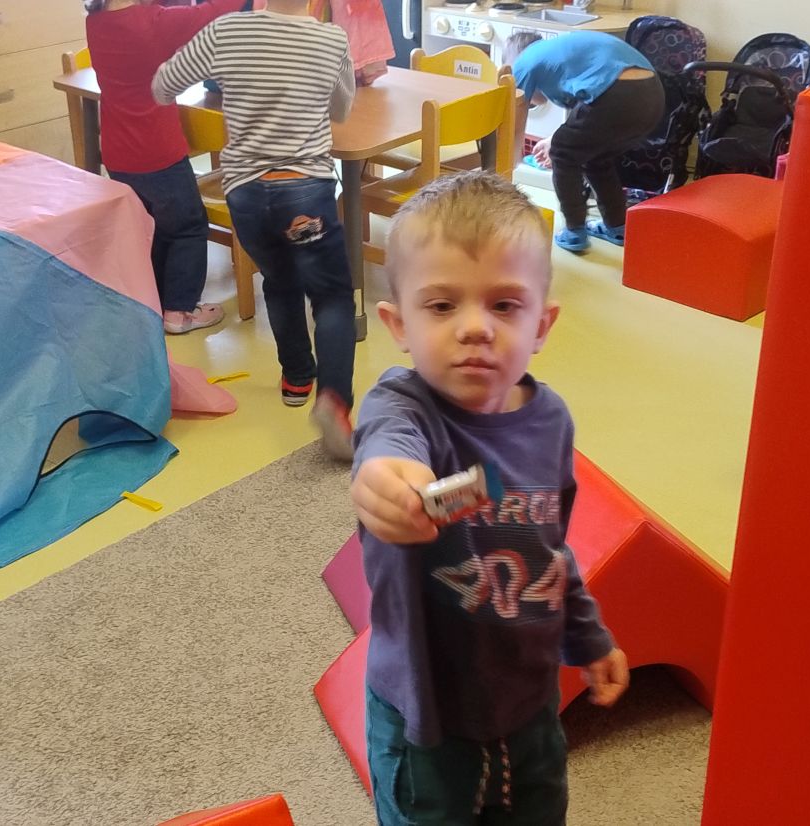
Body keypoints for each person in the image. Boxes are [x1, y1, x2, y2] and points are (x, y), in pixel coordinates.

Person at [350, 171, 630, 824]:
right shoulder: (401, 408)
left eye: (504, 305)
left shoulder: (551, 421)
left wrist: (587, 637)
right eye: (442, 306)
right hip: (427, 723)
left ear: (542, 324)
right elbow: (387, 448)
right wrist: (387, 478)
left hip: (529, 705)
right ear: (398, 322)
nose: (475, 328)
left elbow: (550, 550)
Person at [151, 0, 358, 457]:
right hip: (305, 191)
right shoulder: (331, 38)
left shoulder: (227, 31)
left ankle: (297, 378)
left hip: (246, 193)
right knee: (332, 297)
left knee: (279, 281)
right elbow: (341, 109)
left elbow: (164, 86)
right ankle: (334, 400)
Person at [86, 0, 237, 335]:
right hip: (156, 153)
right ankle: (180, 311)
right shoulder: (151, 24)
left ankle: (157, 300)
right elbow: (211, 12)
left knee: (156, 227)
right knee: (188, 227)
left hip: (119, 152)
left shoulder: (96, 20)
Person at [506, 30, 662, 253]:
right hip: (652, 96)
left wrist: (510, 164)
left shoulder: (522, 63)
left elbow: (514, 124)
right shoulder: (559, 55)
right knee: (597, 159)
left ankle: (574, 231)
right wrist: (554, 138)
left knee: (562, 154)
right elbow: (585, 119)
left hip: (616, 92)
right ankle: (617, 226)